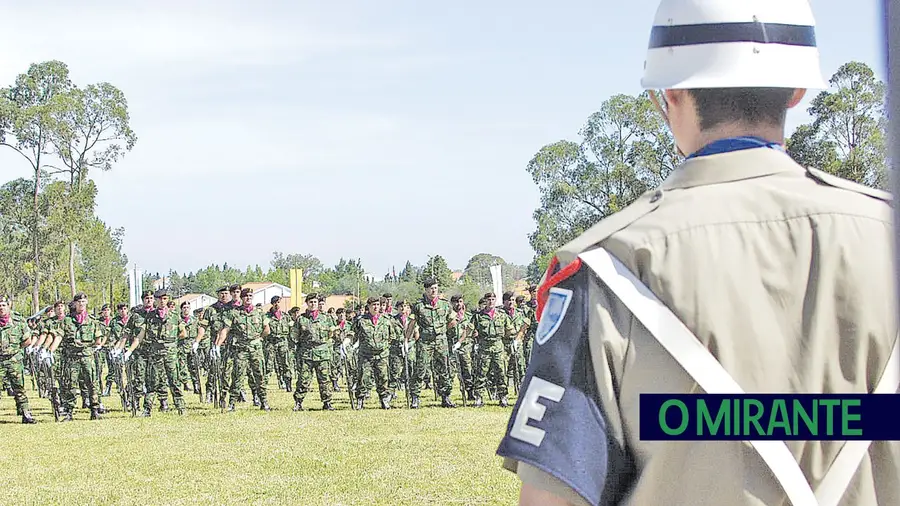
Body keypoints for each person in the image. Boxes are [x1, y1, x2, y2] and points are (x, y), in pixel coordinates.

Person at [496, 1, 899, 505]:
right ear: (797, 90)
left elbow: (554, 499)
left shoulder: (605, 267)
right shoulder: (886, 236)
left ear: (670, 92)